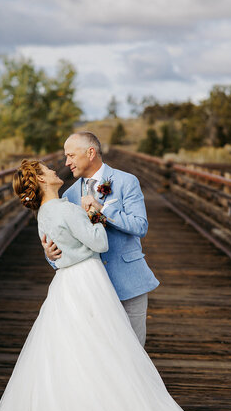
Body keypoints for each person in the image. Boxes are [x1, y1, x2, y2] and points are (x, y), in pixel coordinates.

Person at [0, 158, 216, 411]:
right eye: (48, 169)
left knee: (79, 356)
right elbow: (98, 243)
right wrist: (93, 213)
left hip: (73, 285)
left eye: (67, 157)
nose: (58, 167)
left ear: (90, 152)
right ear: (40, 180)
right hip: (88, 283)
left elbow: (124, 228)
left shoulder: (48, 211)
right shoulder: (65, 207)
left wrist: (62, 246)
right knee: (111, 353)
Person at [42, 131, 159, 347]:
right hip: (91, 288)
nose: (67, 163)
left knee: (134, 351)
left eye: (71, 156)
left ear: (90, 152)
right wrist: (51, 255)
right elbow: (61, 242)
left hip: (129, 284)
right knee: (100, 353)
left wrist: (103, 210)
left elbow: (140, 226)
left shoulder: (126, 182)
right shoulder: (68, 196)